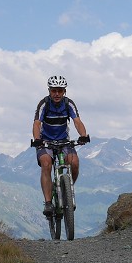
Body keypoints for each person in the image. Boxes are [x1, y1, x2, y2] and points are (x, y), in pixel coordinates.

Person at [31, 75, 90, 216]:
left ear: (64, 91)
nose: (57, 94)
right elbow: (37, 124)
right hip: (45, 141)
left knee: (74, 163)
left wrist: (83, 135)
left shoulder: (68, 104)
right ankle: (48, 203)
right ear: (49, 90)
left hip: (64, 141)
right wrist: (37, 139)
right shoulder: (43, 104)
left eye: (60, 91)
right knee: (46, 164)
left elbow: (77, 121)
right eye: (54, 91)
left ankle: (67, 191)